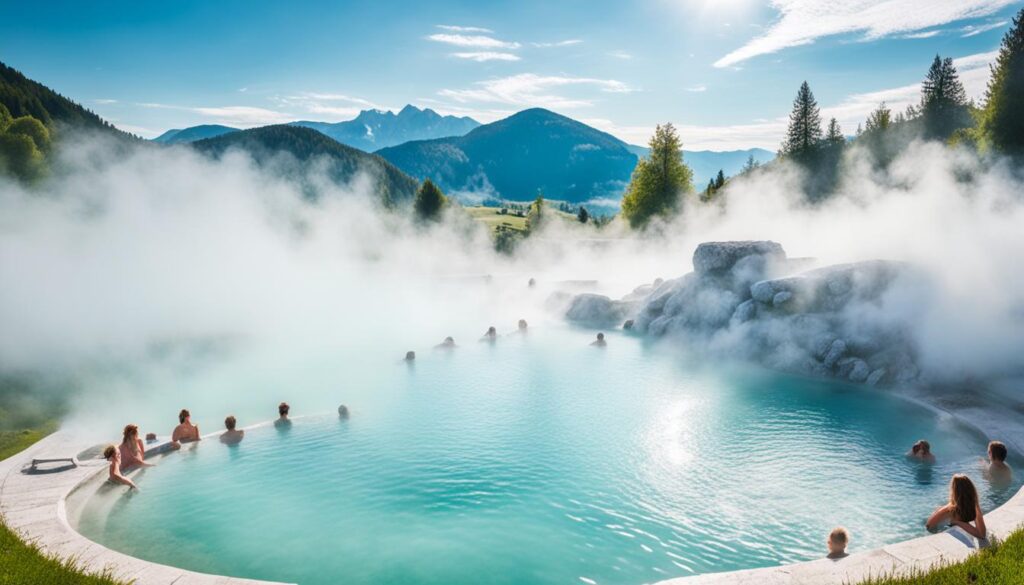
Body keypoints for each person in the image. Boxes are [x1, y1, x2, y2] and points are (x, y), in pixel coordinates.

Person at [926, 474, 987, 540]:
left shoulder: (972, 506)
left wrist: (957, 522)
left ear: (954, 491)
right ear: (971, 489)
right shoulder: (950, 509)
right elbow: (929, 526)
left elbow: (982, 535)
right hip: (935, 529)